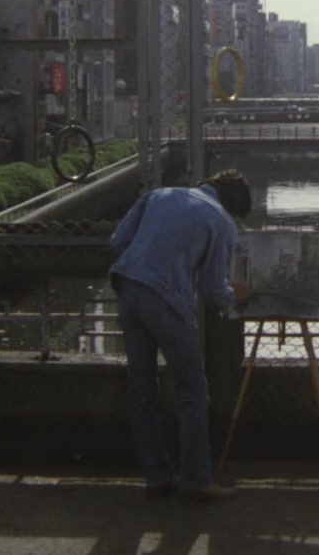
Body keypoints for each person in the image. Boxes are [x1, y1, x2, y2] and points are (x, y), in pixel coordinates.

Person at [109, 169, 251, 504]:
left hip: (128, 288)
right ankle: (196, 481)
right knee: (192, 390)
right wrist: (236, 294)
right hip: (167, 300)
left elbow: (118, 241)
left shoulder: (160, 194)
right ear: (233, 207)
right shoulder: (222, 222)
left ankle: (156, 478)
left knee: (142, 388)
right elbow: (213, 290)